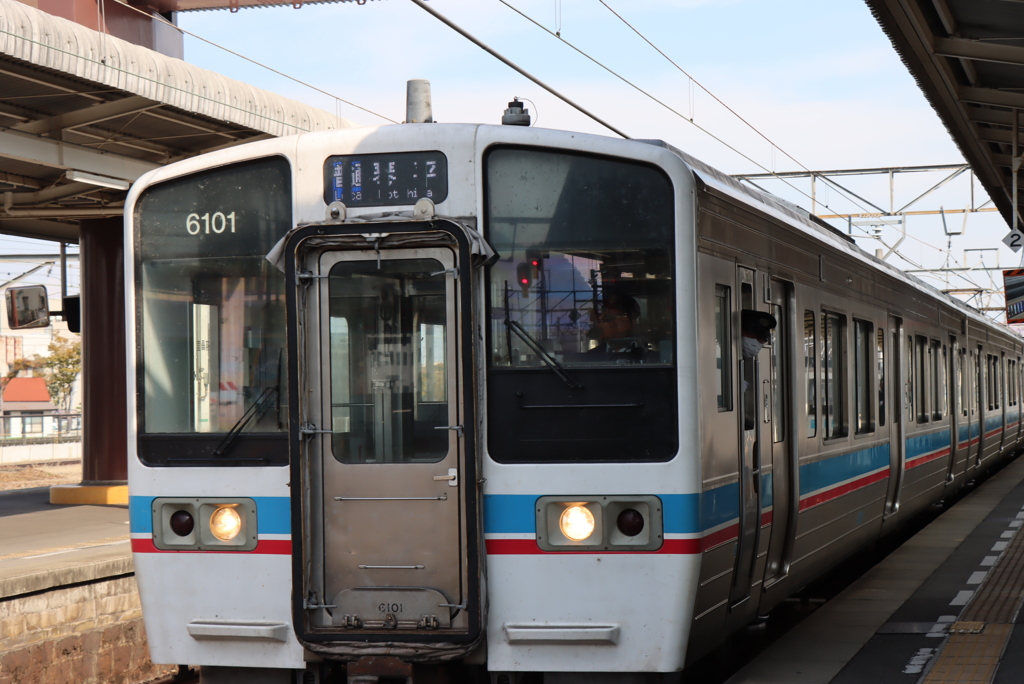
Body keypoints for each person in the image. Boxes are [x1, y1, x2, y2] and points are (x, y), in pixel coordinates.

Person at [587, 290, 645, 359]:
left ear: (633, 322)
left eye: (619, 317)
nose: (612, 324)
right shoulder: (590, 358)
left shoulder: (649, 358)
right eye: (607, 319)